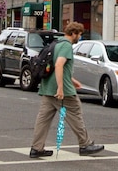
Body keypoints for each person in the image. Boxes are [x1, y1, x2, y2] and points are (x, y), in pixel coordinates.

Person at [29, 21, 104, 158]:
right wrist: (61, 88)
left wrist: (73, 80)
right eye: (80, 35)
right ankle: (85, 144)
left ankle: (36, 148)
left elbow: (57, 68)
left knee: (43, 120)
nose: (80, 37)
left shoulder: (56, 43)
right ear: (74, 33)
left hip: (47, 88)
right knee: (75, 114)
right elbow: (59, 65)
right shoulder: (66, 46)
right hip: (62, 92)